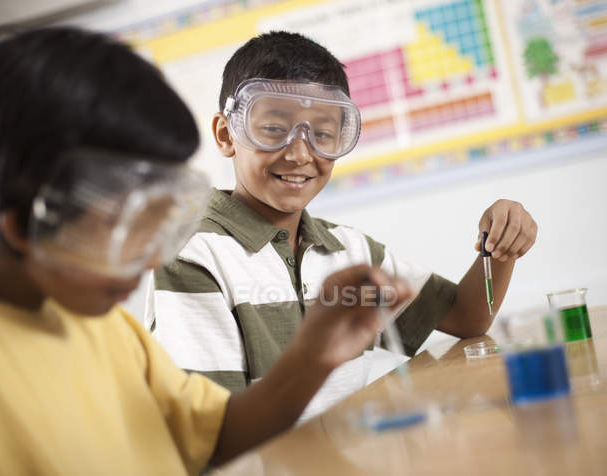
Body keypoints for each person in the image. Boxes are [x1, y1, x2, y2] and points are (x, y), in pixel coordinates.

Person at [0, 27, 412, 475]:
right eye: (125, 225)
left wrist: (314, 355)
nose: (153, 258)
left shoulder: (106, 328)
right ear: (26, 223)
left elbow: (221, 435)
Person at [146, 31, 539, 419]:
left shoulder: (348, 250)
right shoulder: (192, 256)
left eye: (322, 134)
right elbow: (211, 428)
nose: (300, 153)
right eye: (273, 129)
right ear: (226, 134)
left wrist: (501, 247)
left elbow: (467, 317)